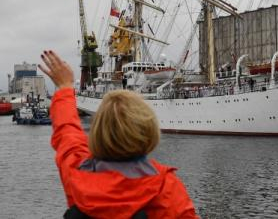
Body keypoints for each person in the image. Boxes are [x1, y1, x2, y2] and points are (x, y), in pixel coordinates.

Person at [40, 50, 198, 219]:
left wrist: (65, 88)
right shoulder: (165, 187)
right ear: (149, 130)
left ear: (98, 131)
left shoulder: (78, 171)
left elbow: (67, 133)